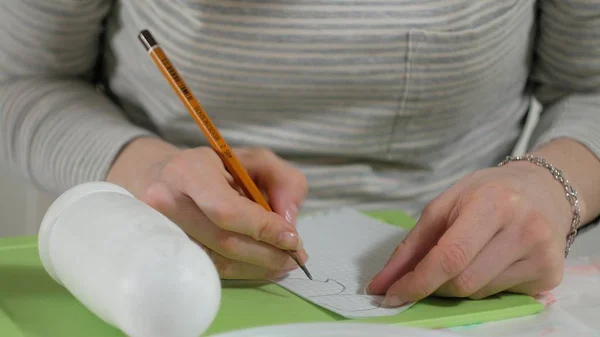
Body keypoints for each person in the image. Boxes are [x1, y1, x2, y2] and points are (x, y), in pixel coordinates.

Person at [1, 0, 599, 308]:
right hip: (158, 262)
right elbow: (19, 80)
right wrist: (143, 168)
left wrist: (554, 186)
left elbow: (590, 83)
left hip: (481, 279)